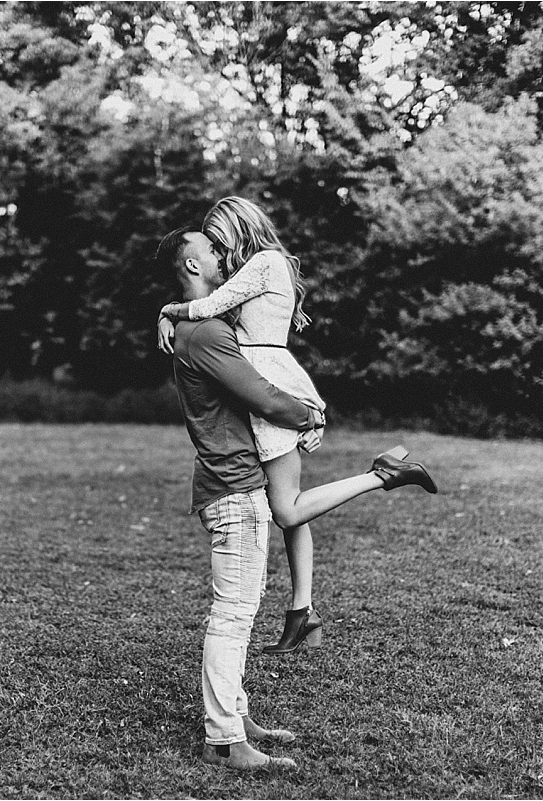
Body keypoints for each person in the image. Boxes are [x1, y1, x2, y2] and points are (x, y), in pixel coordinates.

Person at [156, 226, 434, 772]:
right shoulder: (208, 334)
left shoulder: (199, 328)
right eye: (211, 251)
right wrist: (311, 415)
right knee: (233, 615)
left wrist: (167, 312)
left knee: (239, 607)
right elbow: (263, 397)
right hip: (234, 489)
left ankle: (237, 714)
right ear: (193, 267)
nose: (222, 255)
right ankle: (224, 740)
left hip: (231, 484)